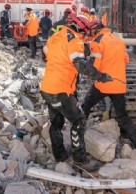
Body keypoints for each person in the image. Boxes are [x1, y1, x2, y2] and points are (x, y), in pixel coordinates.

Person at [41, 14, 113, 172]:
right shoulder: (74, 40)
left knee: (56, 123)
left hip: (48, 87)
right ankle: (80, 159)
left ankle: (60, 156)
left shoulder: (56, 36)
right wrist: (100, 76)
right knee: (79, 120)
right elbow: (82, 66)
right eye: (86, 32)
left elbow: (44, 55)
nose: (86, 35)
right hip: (61, 90)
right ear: (81, 28)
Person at [81, 20, 136, 149]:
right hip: (118, 84)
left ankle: (79, 136)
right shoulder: (118, 40)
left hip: (103, 84)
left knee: (86, 106)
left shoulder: (97, 42)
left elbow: (93, 67)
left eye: (90, 31)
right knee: (123, 115)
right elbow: (126, 60)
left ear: (95, 30)